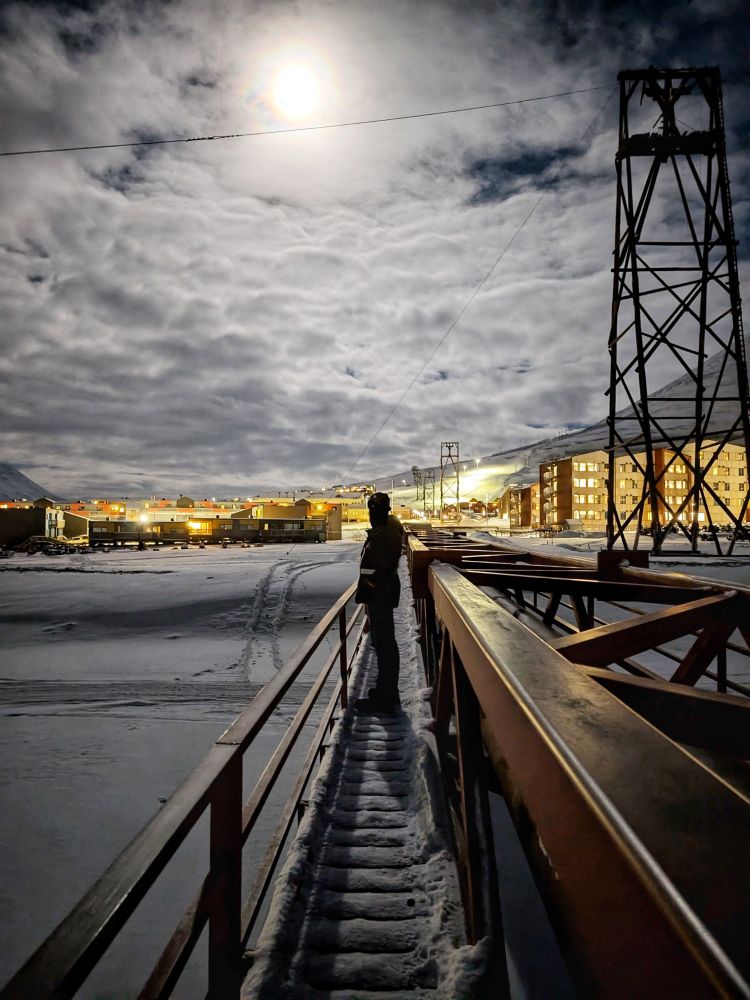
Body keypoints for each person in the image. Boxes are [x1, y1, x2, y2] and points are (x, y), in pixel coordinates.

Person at [354, 491, 404, 712]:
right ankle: (385, 691)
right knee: (383, 643)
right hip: (379, 594)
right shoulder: (385, 531)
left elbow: (378, 568)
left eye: (375, 510)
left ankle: (387, 696)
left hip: (380, 595)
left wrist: (371, 585)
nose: (372, 514)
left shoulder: (386, 534)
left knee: (384, 645)